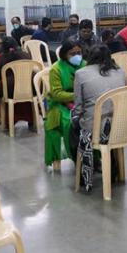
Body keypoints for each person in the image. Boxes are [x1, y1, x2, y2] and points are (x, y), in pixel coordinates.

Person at [73, 44, 127, 192]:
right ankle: (113, 167)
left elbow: (78, 107)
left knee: (74, 128)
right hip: (120, 127)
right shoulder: (120, 72)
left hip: (96, 130)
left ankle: (83, 173)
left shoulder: (81, 74)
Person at [44, 39, 85, 169]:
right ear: (64, 54)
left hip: (83, 102)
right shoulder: (56, 69)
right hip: (60, 104)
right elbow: (57, 94)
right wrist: (77, 95)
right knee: (69, 122)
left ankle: (92, 156)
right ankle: (76, 157)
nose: (77, 56)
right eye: (72, 53)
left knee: (93, 119)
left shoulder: (85, 65)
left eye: (79, 52)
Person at [0, 37, 36, 132]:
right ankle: (32, 121)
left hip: (10, 92)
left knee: (3, 87)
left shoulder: (0, 59)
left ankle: (8, 122)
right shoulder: (27, 55)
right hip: (30, 89)